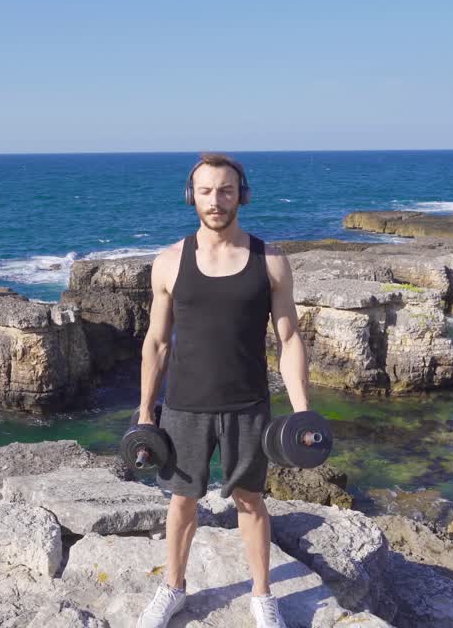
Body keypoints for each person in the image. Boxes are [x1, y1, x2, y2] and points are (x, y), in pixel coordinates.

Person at [135, 153, 311, 628]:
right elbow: (157, 342)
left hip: (248, 406)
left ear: (242, 195)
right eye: (206, 191)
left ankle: (262, 596)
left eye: (226, 190)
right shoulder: (169, 262)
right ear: (191, 196)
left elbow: (289, 338)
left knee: (250, 501)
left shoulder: (270, 261)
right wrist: (146, 411)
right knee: (182, 501)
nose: (216, 200)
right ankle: (173, 588)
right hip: (184, 407)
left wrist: (302, 411)